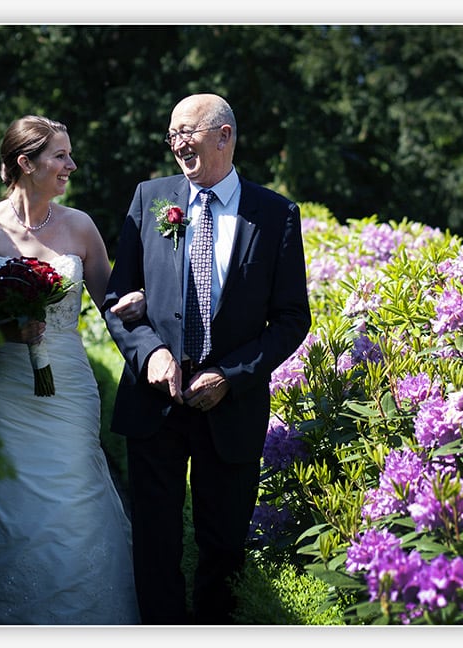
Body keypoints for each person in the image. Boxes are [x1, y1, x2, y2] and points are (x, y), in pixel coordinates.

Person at [103, 93, 312, 624]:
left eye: (187, 131)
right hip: (155, 404)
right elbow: (117, 299)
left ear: (225, 136)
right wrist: (149, 354)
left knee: (222, 548)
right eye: (171, 134)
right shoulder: (150, 198)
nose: (177, 143)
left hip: (231, 409)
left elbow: (292, 319)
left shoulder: (276, 214)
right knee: (155, 542)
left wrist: (232, 375)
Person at [0, 115, 144, 624]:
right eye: (60, 156)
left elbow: (114, 304)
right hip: (2, 392)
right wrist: (5, 331)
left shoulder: (80, 226)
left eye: (69, 155)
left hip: (66, 390)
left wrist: (143, 303)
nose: (71, 165)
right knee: (8, 507)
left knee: (75, 505)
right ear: (26, 163)